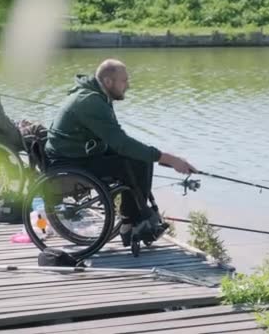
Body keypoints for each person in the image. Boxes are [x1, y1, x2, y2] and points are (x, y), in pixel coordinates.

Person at [44, 59, 197, 246]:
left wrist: (157, 157)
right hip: (69, 161)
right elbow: (121, 143)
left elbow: (117, 142)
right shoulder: (91, 101)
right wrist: (169, 158)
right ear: (108, 82)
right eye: (124, 81)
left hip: (77, 154)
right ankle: (132, 221)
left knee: (139, 158)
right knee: (134, 161)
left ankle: (133, 220)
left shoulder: (96, 96)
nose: (128, 86)